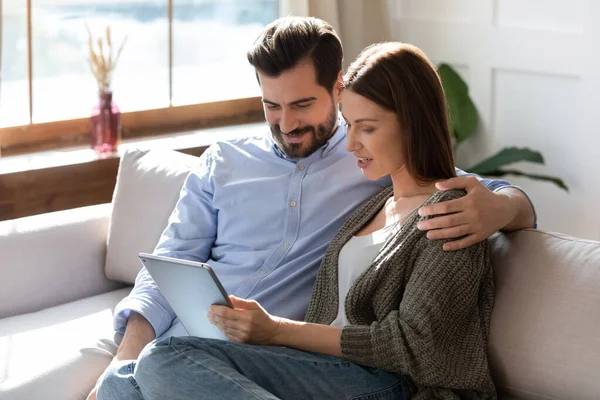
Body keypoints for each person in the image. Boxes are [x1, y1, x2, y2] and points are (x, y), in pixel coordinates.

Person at [91, 16, 533, 399]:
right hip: (215, 352)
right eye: (272, 106)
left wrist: (505, 209)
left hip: (289, 357)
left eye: (302, 104)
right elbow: (170, 261)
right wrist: (123, 355)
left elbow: (465, 190)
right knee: (120, 382)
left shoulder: (370, 161)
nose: (287, 124)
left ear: (337, 87)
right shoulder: (225, 161)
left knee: (162, 363)